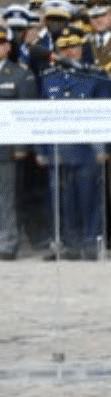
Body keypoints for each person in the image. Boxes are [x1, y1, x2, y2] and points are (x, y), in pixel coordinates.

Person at [36, 31, 109, 260]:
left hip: (87, 150)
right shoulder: (48, 78)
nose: (70, 52)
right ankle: (67, 244)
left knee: (88, 198)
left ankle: (90, 242)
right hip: (58, 149)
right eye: (64, 47)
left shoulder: (95, 76)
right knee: (61, 201)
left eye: (74, 47)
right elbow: (39, 116)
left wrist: (103, 148)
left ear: (82, 49)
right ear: (57, 51)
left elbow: (106, 115)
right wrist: (42, 150)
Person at [0, 26, 36, 259]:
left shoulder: (20, 74)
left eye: (1, 43)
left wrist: (22, 146)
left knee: (6, 197)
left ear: (7, 47)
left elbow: (27, 112)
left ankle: (7, 241)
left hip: (6, 148)